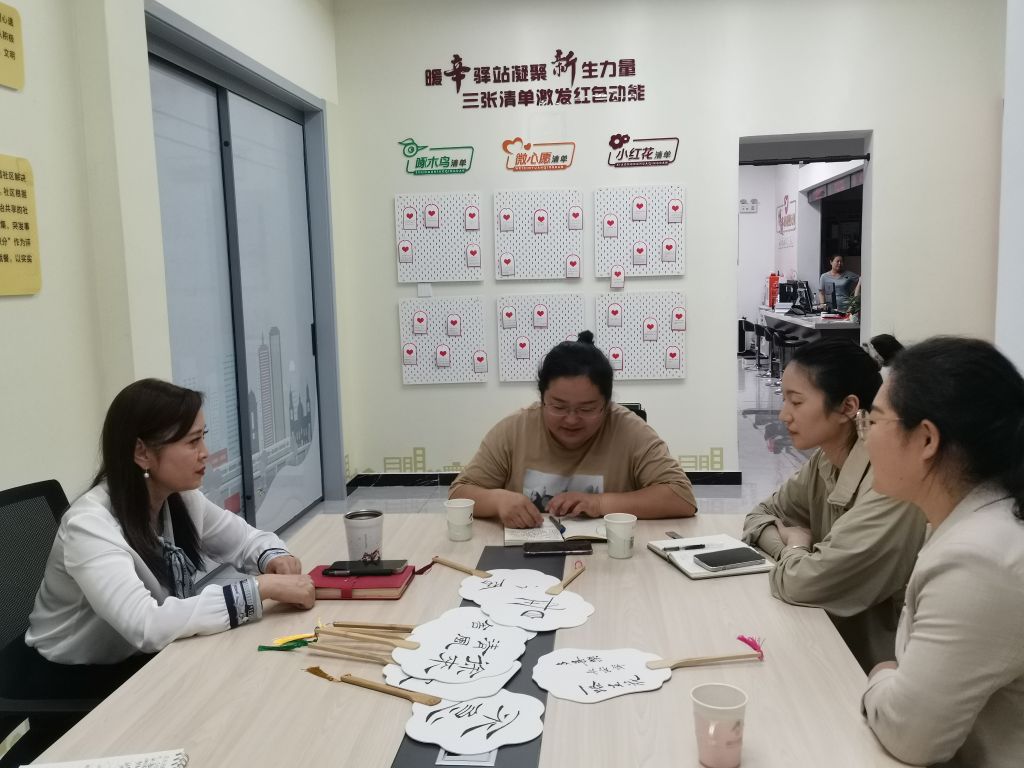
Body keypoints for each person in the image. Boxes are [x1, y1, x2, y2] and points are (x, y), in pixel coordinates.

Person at [22, 379, 315, 691]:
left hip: (141, 657)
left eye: (203, 438)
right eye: (192, 442)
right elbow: (145, 625)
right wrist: (260, 588)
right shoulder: (89, 526)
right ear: (142, 453)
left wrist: (274, 558)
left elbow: (245, 540)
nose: (205, 453)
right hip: (72, 678)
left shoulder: (180, 498)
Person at [860, 337, 1024, 767]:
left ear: (926, 439)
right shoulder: (973, 522)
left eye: (873, 421)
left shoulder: (980, 560)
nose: (866, 438)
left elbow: (909, 735)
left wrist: (880, 675)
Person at [741, 339, 925, 671]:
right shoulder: (824, 461)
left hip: (876, 667)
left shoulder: (889, 486)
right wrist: (793, 552)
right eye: (785, 399)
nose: (783, 414)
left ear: (848, 407)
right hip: (827, 643)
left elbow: (801, 583)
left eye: (796, 401)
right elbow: (759, 516)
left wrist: (795, 547)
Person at [450, 331, 697, 528]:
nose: (571, 420)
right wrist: (497, 500)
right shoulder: (514, 430)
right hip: (525, 560)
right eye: (558, 406)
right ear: (542, 399)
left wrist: (600, 503)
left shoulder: (630, 430)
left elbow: (681, 497)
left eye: (587, 409)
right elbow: (458, 493)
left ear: (607, 405)